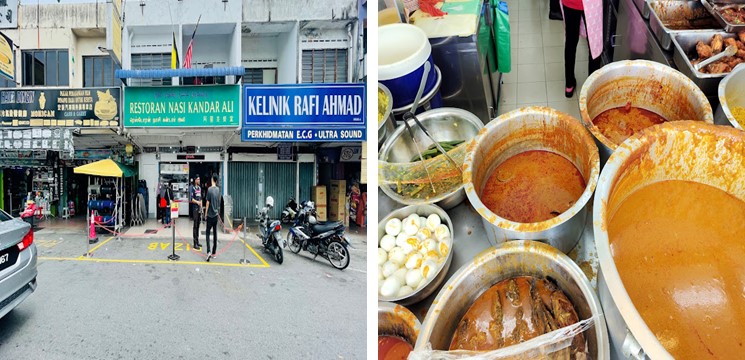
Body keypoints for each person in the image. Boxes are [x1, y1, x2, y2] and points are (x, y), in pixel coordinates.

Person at [562, 0, 603, 98]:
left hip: (570, 3)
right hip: (592, 3)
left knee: (570, 42)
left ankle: (569, 84)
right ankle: (592, 87)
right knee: (594, 43)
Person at [204, 173, 221, 261]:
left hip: (210, 215)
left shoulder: (209, 189)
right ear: (216, 180)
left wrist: (205, 213)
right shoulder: (218, 190)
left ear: (212, 180)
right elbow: (218, 202)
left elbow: (207, 202)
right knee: (215, 234)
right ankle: (214, 252)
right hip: (215, 215)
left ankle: (208, 251)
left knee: (207, 233)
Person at [190, 175, 203, 250]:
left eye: (199, 179)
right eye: (198, 179)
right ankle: (194, 243)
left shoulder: (200, 188)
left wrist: (201, 207)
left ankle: (197, 241)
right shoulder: (193, 188)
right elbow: (191, 199)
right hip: (195, 208)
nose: (199, 180)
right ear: (195, 180)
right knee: (195, 225)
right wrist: (197, 202)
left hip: (199, 208)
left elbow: (200, 198)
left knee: (198, 225)